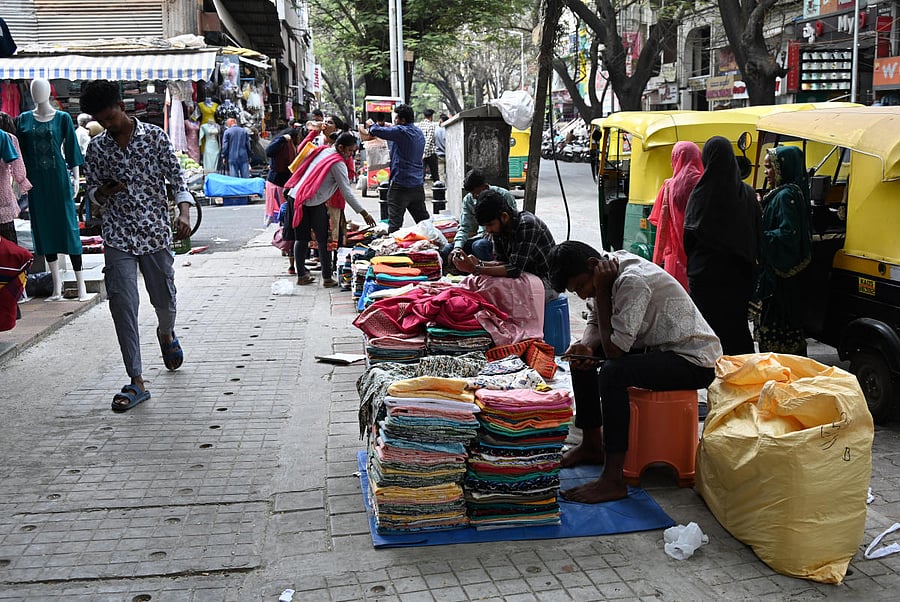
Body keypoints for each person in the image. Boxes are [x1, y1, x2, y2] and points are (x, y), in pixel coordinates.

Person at [548, 241, 721, 503]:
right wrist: (585, 347)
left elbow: (616, 350)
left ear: (594, 266)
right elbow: (596, 323)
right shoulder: (604, 272)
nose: (584, 296)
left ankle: (613, 479)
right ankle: (592, 444)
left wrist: (603, 293)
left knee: (612, 372)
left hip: (693, 359)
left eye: (582, 286)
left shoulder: (630, 281)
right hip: (657, 348)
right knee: (580, 358)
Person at [79, 79, 194, 413]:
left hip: (156, 233)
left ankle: (166, 333)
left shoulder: (154, 138)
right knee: (122, 305)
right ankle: (136, 379)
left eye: (111, 116)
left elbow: (177, 179)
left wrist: (184, 211)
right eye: (101, 119)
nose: (108, 124)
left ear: (122, 106)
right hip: (118, 236)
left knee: (164, 299)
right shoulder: (97, 148)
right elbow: (92, 195)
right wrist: (104, 193)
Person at [683, 136, 761, 355]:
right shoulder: (746, 193)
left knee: (709, 330)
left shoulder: (701, 194)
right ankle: (743, 377)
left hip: (706, 276)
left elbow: (689, 237)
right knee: (736, 328)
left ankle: (715, 377)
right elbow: (757, 232)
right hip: (740, 275)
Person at [16, 78, 91, 302]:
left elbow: (71, 150)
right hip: (36, 184)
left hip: (58, 179)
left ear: (49, 92)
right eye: (34, 90)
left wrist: (76, 179)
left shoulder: (62, 118)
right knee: (44, 230)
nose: (37, 93)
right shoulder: (23, 120)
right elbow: (19, 154)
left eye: (41, 89)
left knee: (68, 228)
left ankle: (81, 287)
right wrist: (19, 182)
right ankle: (56, 288)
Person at [286, 132, 376, 287]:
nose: (350, 155)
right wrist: (364, 213)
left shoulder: (324, 150)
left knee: (306, 239)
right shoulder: (338, 163)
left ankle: (308, 276)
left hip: (298, 196)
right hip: (308, 200)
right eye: (349, 151)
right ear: (340, 147)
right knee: (320, 240)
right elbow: (347, 192)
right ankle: (323, 278)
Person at [753, 145, 813, 356]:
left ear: (783, 168)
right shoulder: (782, 193)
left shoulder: (786, 195)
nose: (766, 172)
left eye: (770, 167)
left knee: (779, 327)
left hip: (782, 278)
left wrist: (760, 235)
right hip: (779, 276)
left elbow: (789, 235)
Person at [452, 188, 557, 299]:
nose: (488, 230)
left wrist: (475, 268)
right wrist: (479, 263)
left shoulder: (527, 225)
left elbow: (514, 270)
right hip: (525, 276)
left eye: (490, 224)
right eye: (486, 226)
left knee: (496, 294)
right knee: (480, 284)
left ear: (504, 217)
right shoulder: (500, 229)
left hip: (547, 282)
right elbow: (501, 263)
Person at [359, 103, 428, 233]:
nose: (394, 121)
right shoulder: (418, 132)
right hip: (417, 184)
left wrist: (370, 125)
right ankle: (434, 244)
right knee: (424, 222)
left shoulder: (401, 131)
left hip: (401, 184)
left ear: (402, 120)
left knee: (395, 225)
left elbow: (376, 131)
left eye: (396, 118)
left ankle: (392, 250)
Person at [647, 141, 703, 292]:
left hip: (676, 259)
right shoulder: (704, 184)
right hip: (700, 258)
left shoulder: (668, 187)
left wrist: (656, 261)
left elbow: (662, 228)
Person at [446, 168, 516, 264]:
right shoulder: (469, 200)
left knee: (479, 246)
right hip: (480, 237)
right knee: (449, 249)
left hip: (499, 239)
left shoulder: (504, 195)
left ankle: (490, 273)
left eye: (476, 193)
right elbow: (464, 227)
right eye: (471, 194)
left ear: (486, 187)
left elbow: (512, 222)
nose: (474, 197)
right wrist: (457, 247)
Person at [0, 112, 30, 244]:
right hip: (3, 200)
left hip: (4, 200)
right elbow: (18, 169)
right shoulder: (8, 138)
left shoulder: (7, 138)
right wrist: (23, 183)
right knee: (9, 248)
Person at [264, 126, 302, 231]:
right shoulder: (282, 143)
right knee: (279, 209)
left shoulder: (293, 147)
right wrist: (283, 139)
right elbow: (268, 151)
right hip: (276, 182)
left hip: (284, 182)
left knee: (284, 208)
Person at [417, 109, 439, 183]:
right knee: (435, 175)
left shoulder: (419, 125)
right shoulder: (431, 125)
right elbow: (428, 140)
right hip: (430, 153)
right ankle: (438, 190)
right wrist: (425, 152)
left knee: (421, 175)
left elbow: (418, 139)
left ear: (424, 116)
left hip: (420, 153)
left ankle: (420, 192)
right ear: (431, 116)